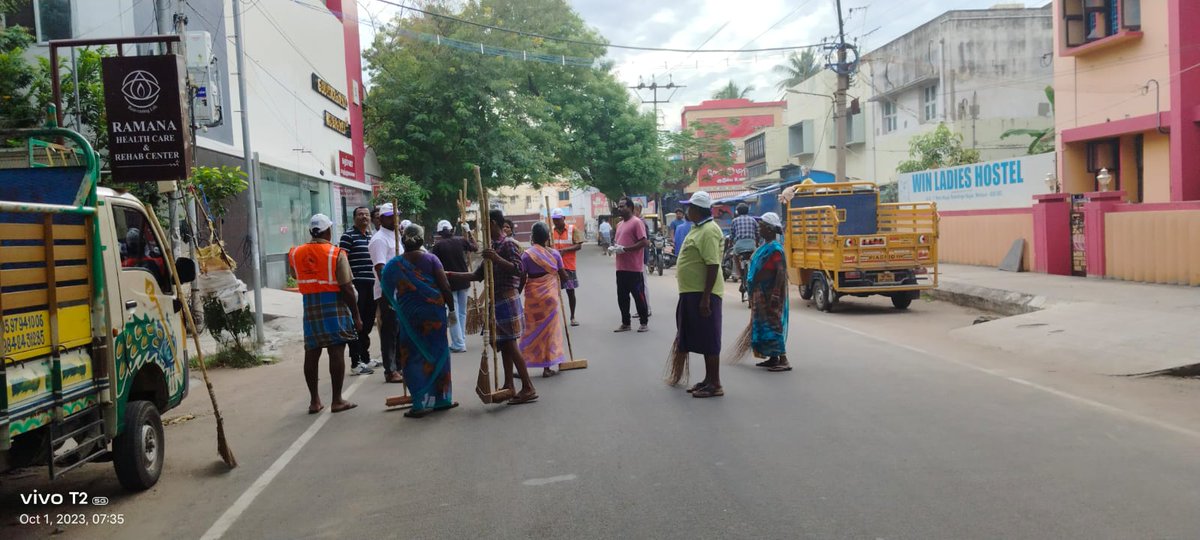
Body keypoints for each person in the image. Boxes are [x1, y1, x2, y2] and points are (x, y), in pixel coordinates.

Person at [446, 209, 538, 405]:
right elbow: (477, 276)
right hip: (497, 300)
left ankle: (528, 387)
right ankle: (509, 385)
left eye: (485, 224)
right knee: (504, 344)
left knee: (511, 345)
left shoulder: (508, 245)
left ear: (494, 223)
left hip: (507, 299)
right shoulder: (493, 246)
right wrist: (449, 275)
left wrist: (497, 259)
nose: (482, 228)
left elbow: (519, 269)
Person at [380, 224, 458, 418]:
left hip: (409, 317)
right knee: (439, 354)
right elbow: (445, 286)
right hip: (434, 315)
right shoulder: (432, 259)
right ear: (422, 240)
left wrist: (392, 308)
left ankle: (419, 404)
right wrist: (453, 310)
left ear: (403, 241)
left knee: (412, 357)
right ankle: (442, 399)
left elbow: (386, 290)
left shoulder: (393, 265)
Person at [288, 214, 361, 414]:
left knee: (311, 352)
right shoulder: (336, 253)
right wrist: (356, 315)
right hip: (334, 305)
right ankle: (337, 400)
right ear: (328, 231)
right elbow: (346, 287)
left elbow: (295, 275)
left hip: (310, 306)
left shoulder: (296, 253)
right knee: (336, 351)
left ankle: (314, 401)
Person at [670, 191, 725, 398]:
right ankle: (708, 379)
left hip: (703, 293)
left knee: (709, 337)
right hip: (690, 292)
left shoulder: (709, 230)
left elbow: (712, 264)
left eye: (690, 207)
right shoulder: (698, 228)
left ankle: (715, 383)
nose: (687, 211)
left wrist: (705, 297)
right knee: (701, 337)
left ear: (698, 210)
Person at [519, 222, 570, 378]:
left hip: (534, 300)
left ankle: (523, 364)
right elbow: (564, 276)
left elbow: (522, 278)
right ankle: (548, 366)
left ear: (533, 237)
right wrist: (558, 280)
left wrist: (517, 293)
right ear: (548, 237)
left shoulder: (527, 255)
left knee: (530, 331)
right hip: (550, 299)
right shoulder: (554, 254)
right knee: (550, 332)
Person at [746, 212, 791, 372]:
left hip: (770, 292)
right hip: (761, 292)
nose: (759, 229)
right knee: (764, 325)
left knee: (773, 324)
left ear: (770, 230)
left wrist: (776, 293)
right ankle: (773, 358)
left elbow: (780, 271)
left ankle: (783, 359)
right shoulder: (765, 247)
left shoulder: (775, 249)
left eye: (762, 227)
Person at [338, 206, 378, 376]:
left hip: (372, 284)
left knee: (368, 322)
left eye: (366, 215)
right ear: (354, 218)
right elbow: (343, 260)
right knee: (357, 321)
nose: (364, 217)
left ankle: (365, 357)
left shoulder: (371, 236)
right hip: (357, 284)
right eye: (360, 214)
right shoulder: (348, 236)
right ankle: (357, 360)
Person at [369, 203, 405, 384]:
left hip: (401, 290)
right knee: (389, 331)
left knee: (399, 331)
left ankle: (399, 366)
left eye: (396, 215)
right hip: (388, 292)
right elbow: (380, 269)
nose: (394, 219)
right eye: (390, 216)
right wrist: (391, 293)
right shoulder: (379, 239)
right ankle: (390, 370)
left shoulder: (397, 236)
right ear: (381, 219)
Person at [430, 219, 477, 353]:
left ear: (439, 232)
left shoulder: (438, 246)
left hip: (448, 283)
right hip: (464, 280)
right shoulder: (461, 240)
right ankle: (460, 340)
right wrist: (468, 231)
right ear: (452, 230)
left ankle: (459, 343)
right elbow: (475, 247)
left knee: (453, 312)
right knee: (462, 312)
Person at [609, 197, 650, 332]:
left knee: (638, 295)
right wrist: (614, 248)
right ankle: (626, 323)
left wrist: (625, 249)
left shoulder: (637, 223)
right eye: (619, 206)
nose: (620, 209)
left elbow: (644, 242)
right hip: (621, 267)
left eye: (623, 206)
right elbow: (618, 242)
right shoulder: (620, 224)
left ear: (631, 208)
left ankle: (643, 322)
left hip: (634, 268)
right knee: (622, 297)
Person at [550, 208, 584, 326]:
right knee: (553, 293)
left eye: (558, 220)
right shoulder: (550, 231)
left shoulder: (572, 229)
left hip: (568, 266)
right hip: (554, 266)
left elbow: (579, 245)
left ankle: (572, 317)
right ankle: (553, 318)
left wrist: (565, 250)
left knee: (570, 291)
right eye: (554, 220)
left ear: (563, 218)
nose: (556, 222)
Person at [730, 203, 760, 286]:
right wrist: (756, 244)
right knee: (755, 258)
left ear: (738, 212)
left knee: (735, 257)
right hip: (751, 244)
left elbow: (732, 235)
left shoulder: (734, 221)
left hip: (739, 245)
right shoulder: (753, 220)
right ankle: (754, 272)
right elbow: (757, 234)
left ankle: (740, 274)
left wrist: (731, 244)